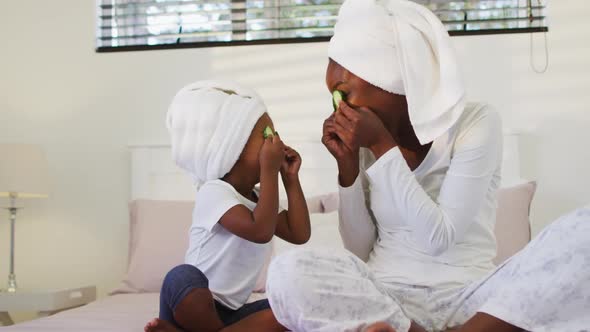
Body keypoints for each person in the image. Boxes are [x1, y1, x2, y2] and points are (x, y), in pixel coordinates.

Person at [265, 0, 590, 331]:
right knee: (287, 272)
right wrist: (348, 169)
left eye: (344, 92)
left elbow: (440, 237)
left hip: (471, 298)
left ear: (395, 80)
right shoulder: (366, 140)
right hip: (386, 298)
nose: (340, 105)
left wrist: (382, 146)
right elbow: (359, 250)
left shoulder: (476, 122)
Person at [145, 81, 310, 332]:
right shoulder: (214, 192)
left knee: (291, 308)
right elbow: (260, 231)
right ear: (230, 148)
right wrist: (270, 169)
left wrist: (290, 178)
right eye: (266, 136)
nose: (274, 143)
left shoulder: (259, 199)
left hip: (229, 316)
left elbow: (299, 234)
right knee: (182, 276)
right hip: (190, 303)